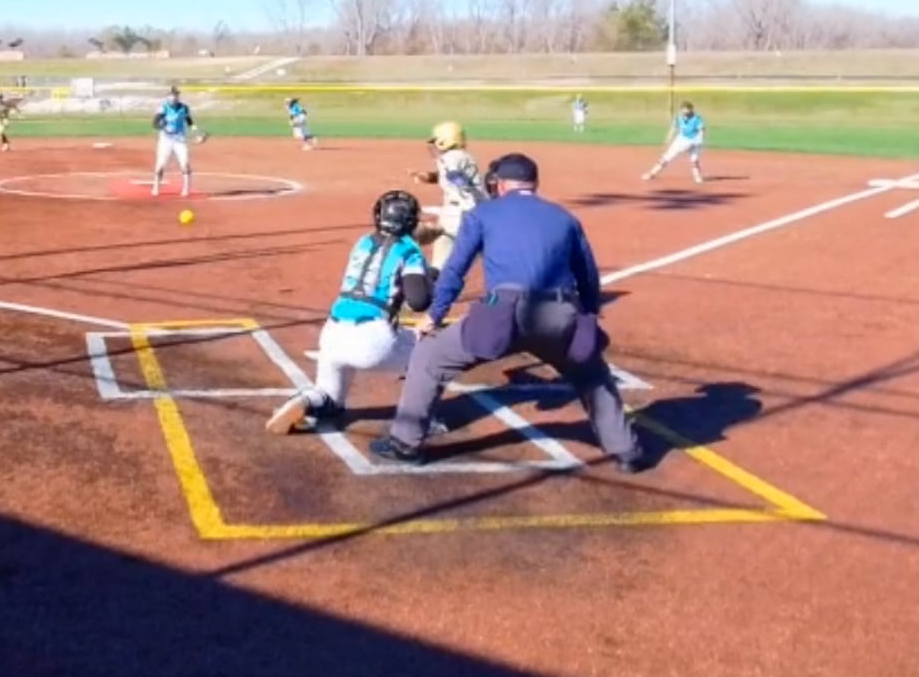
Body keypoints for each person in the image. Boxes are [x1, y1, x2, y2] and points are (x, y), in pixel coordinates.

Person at [372, 152, 649, 473]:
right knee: (593, 374)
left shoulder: (482, 214)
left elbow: (454, 272)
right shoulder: (564, 218)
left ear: (501, 185)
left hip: (501, 315)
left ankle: (405, 444)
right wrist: (587, 316)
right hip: (560, 313)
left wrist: (434, 315)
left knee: (429, 357)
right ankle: (627, 451)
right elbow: (588, 276)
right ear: (534, 183)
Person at [265, 190, 432, 434]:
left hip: (333, 334)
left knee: (329, 398)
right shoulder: (410, 250)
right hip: (372, 340)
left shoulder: (363, 242)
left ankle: (306, 400)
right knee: (433, 351)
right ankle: (421, 419)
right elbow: (419, 301)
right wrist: (430, 280)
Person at [410, 121, 486, 268]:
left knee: (441, 258)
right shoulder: (461, 156)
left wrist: (460, 183)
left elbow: (454, 175)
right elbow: (449, 176)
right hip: (473, 210)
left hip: (459, 213)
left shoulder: (450, 157)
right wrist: (429, 177)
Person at [151, 86, 203, 198]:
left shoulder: (184, 108)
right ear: (167, 97)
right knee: (161, 165)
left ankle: (186, 189)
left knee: (185, 163)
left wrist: (196, 132)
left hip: (179, 139)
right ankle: (156, 187)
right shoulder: (163, 108)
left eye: (176, 95)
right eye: (172, 95)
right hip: (166, 139)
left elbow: (189, 121)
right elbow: (154, 123)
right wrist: (162, 126)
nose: (174, 97)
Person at [643, 101, 705, 184]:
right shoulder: (679, 117)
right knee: (667, 157)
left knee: (694, 159)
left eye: (687, 110)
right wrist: (667, 140)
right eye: (683, 110)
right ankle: (652, 173)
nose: (685, 112)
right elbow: (673, 129)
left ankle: (697, 176)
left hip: (694, 141)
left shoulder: (697, 118)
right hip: (682, 140)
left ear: (691, 110)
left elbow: (701, 130)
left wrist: (699, 140)